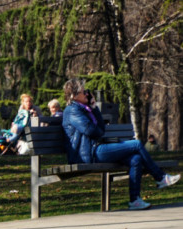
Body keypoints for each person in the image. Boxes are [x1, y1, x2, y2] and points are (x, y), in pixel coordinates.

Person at [62, 79, 179, 210]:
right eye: (83, 92)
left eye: (86, 91)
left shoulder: (86, 110)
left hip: (96, 149)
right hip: (88, 154)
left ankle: (135, 201)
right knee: (137, 144)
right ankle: (160, 177)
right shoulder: (72, 110)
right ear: (73, 95)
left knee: (136, 159)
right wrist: (96, 126)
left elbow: (100, 130)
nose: (87, 94)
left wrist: (95, 108)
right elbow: (91, 131)